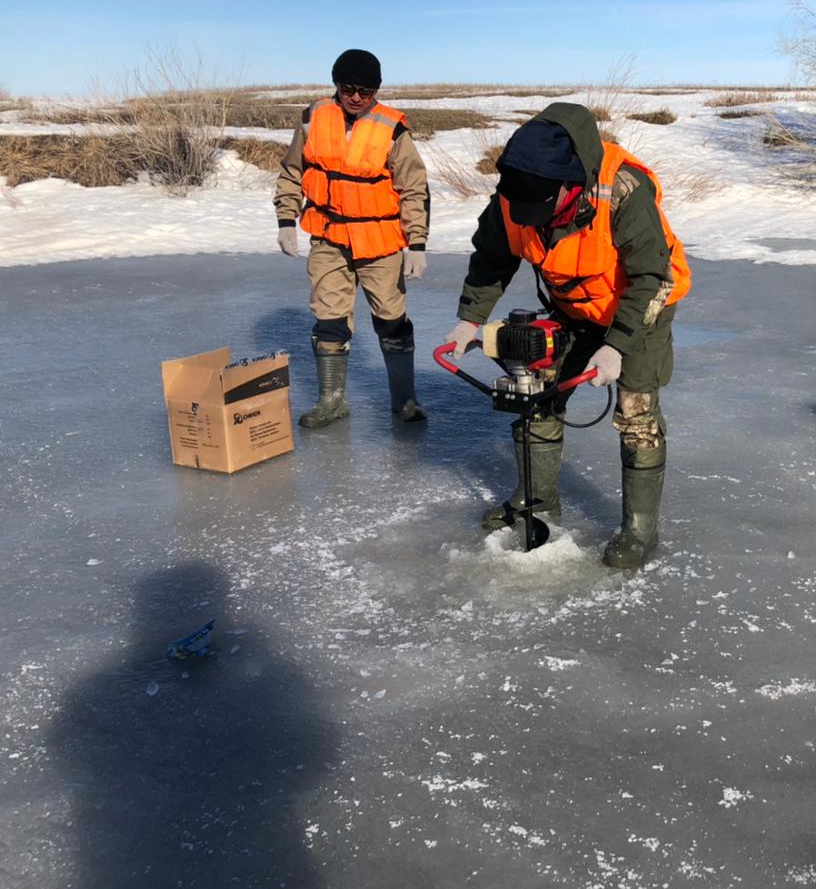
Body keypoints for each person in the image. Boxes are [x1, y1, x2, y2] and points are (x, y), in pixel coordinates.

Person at [442, 102, 691, 568]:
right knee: (536, 395)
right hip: (573, 309)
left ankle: (639, 530)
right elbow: (492, 257)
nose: (530, 218)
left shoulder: (622, 190)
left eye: (542, 207)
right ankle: (536, 504)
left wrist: (615, 346)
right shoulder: (512, 195)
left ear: (569, 186)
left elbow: (650, 277)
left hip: (643, 305)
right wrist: (469, 318)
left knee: (637, 416)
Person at [274, 48, 431, 428]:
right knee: (328, 318)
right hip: (328, 237)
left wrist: (417, 244)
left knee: (391, 319)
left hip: (380, 242)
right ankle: (332, 400)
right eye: (349, 88)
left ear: (376, 90)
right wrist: (285, 218)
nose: (357, 97)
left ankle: (404, 400)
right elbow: (293, 171)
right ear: (336, 86)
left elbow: (414, 188)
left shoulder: (392, 128)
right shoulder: (313, 118)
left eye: (366, 90)